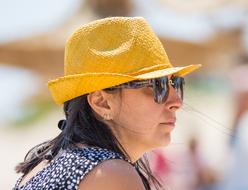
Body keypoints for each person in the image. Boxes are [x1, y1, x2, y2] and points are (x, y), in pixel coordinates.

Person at [13, 17, 201, 190]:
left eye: (175, 83)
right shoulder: (110, 175)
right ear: (102, 102)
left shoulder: (43, 164)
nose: (177, 101)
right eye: (157, 85)